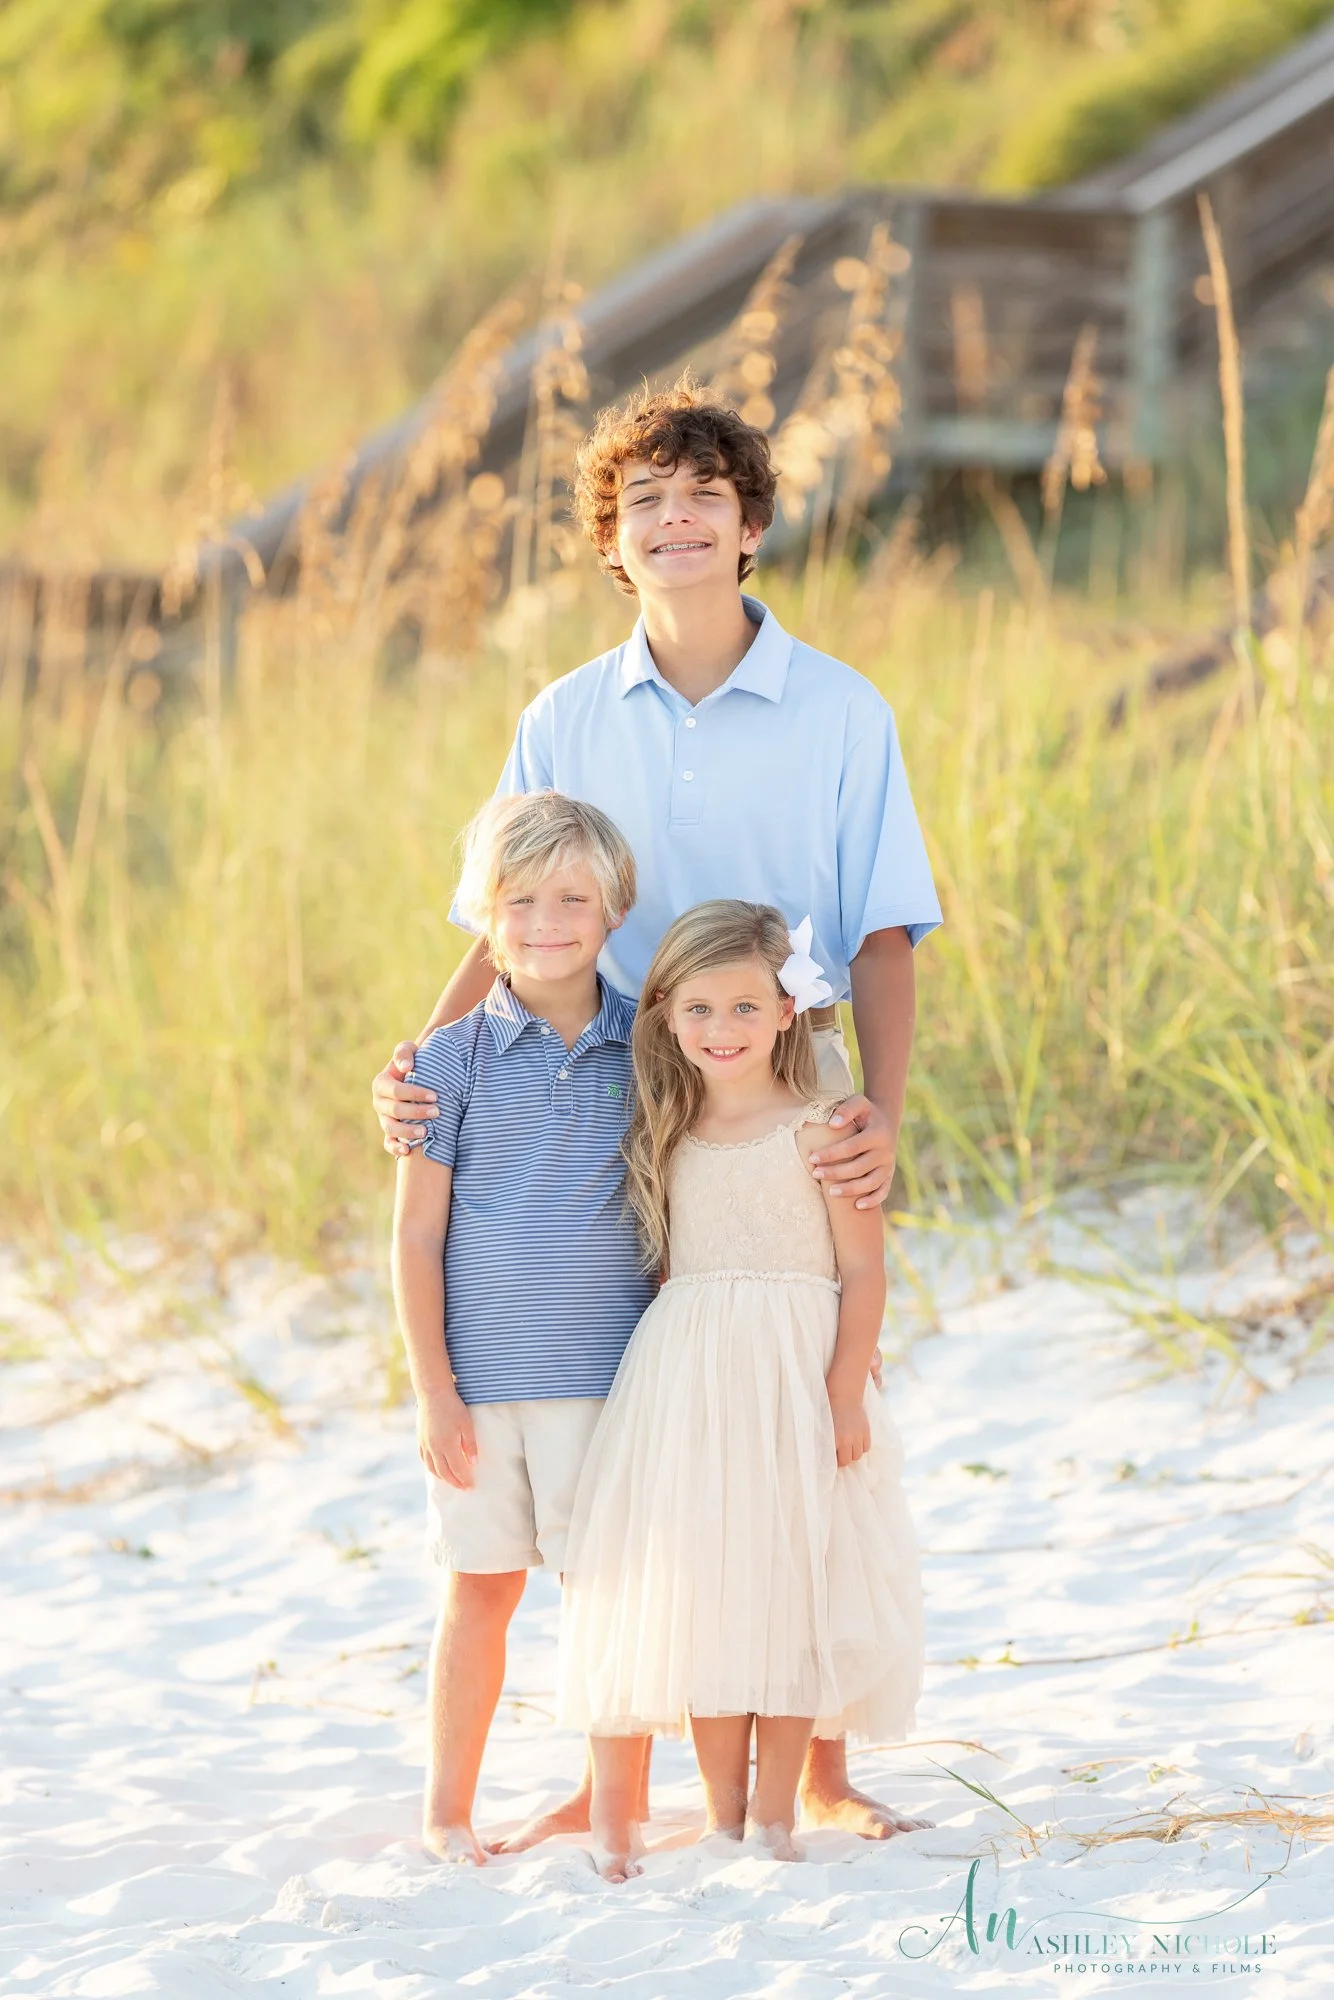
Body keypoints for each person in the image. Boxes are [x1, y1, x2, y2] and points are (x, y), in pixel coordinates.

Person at [373, 375, 941, 1843]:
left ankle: (814, 1762)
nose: (675, 520)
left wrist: (876, 1109)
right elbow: (501, 919)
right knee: (666, 1425)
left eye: (704, 497)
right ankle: (622, 1756)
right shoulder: (564, 712)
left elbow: (881, 933)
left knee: (808, 1396)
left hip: (788, 1086)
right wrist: (422, 1068)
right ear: (610, 545)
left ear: (751, 525)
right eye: (644, 504)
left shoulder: (836, 710)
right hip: (607, 1094)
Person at [559, 901, 923, 1881]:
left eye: (744, 1007)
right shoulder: (665, 1128)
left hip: (794, 1372)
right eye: (699, 1009)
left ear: (784, 1011)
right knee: (710, 1594)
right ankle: (723, 1821)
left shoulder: (822, 1126)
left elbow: (863, 1274)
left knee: (792, 1583)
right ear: (668, 1016)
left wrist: (844, 1392)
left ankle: (773, 1817)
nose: (721, 1029)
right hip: (687, 1382)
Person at [391, 790, 654, 1863]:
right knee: (480, 1591)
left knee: (609, 1596)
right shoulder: (443, 1062)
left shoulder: (651, 1046)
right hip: (481, 1386)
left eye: (571, 898)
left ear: (611, 909)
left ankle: (615, 1812)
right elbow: (413, 1238)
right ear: (484, 917)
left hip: (610, 1379)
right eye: (519, 901)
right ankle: (447, 1812)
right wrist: (433, 1388)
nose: (546, 921)